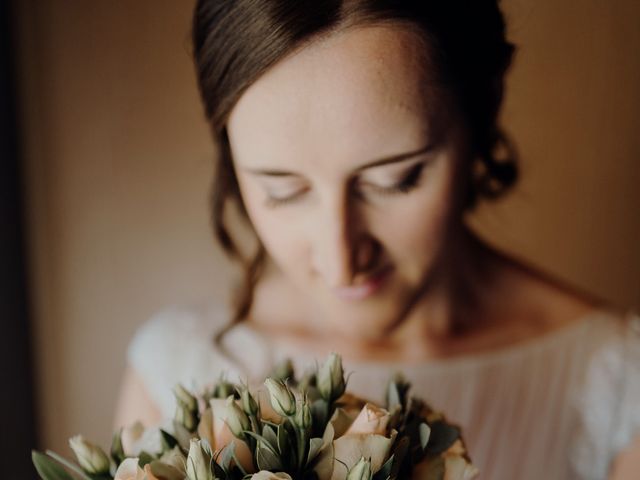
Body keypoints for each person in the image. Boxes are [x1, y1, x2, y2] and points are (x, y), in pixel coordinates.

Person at [115, 1, 640, 478]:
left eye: (396, 180)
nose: (342, 262)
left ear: (483, 108)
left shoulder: (615, 382)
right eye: (282, 191)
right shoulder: (175, 370)